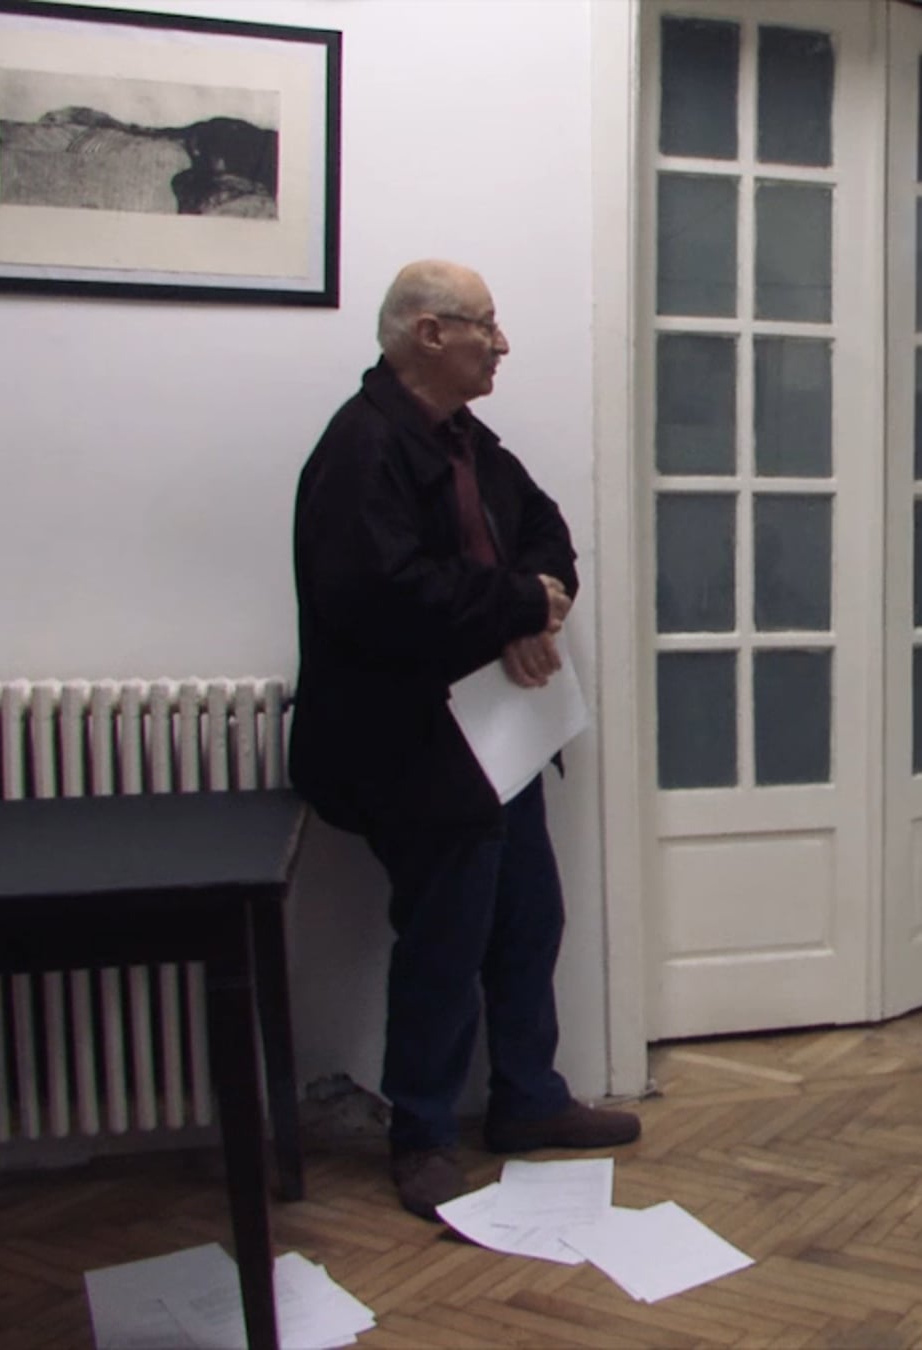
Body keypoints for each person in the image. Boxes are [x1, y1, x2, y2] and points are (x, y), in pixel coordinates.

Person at [291, 260, 639, 1221]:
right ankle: (423, 1135)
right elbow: (382, 599)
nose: (502, 344)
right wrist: (515, 604)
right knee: (444, 939)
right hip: (409, 747)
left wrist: (534, 608)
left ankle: (527, 1099)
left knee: (529, 915)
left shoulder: (462, 439)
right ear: (429, 334)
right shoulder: (362, 449)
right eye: (485, 325)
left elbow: (545, 529)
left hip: (492, 737)